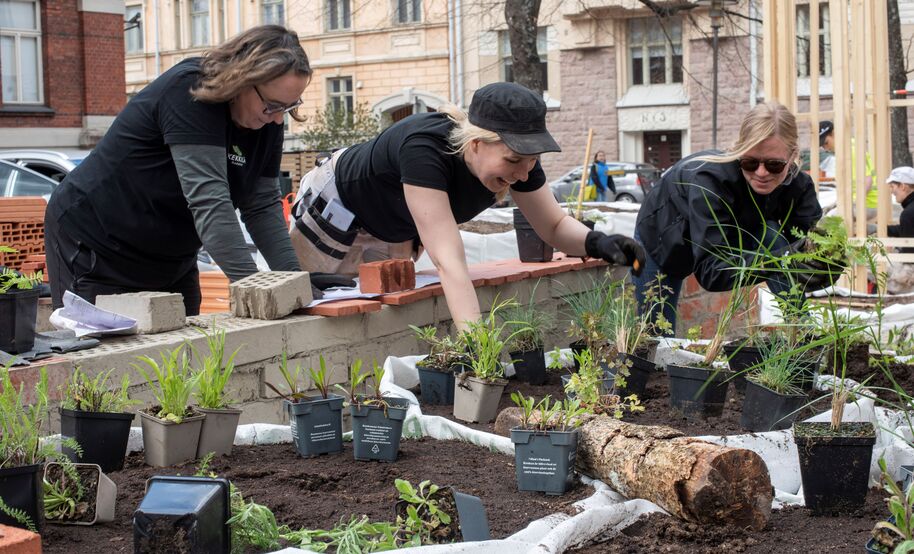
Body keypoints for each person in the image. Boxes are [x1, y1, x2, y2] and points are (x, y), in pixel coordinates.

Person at [288, 82, 645, 331]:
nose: (523, 173)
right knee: (310, 304)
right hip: (336, 206)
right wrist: (477, 345)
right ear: (475, 145)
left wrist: (600, 243)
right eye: (514, 159)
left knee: (382, 306)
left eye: (532, 160)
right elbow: (448, 260)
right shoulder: (425, 149)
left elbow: (552, 227)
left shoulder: (521, 165)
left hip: (395, 220)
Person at [44, 25, 344, 316]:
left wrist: (293, 279)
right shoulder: (190, 92)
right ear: (241, 79)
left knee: (185, 356)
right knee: (100, 357)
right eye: (273, 105)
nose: (279, 119)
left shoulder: (265, 118)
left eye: (289, 107)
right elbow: (210, 202)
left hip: (171, 253)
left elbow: (261, 205)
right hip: (97, 243)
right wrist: (257, 288)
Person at [632, 102, 828, 334]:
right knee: (657, 337)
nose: (762, 173)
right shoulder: (710, 181)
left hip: (732, 231)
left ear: (793, 155)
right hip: (661, 241)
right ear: (739, 150)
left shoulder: (798, 186)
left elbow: (809, 247)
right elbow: (711, 271)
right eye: (750, 162)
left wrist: (824, 264)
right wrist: (785, 260)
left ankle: (803, 337)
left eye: (775, 165)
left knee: (776, 241)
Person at [819, 120, 877, 221]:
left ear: (833, 133)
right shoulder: (848, 147)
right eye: (823, 146)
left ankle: (870, 230)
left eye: (826, 143)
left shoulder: (850, 152)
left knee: (826, 222)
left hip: (868, 204)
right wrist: (836, 204)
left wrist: (853, 203)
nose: (826, 148)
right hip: (867, 202)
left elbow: (868, 181)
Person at [884, 166, 914, 293]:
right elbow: (907, 230)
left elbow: (908, 254)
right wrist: (882, 230)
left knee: (873, 266)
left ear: (903, 186)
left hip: (910, 268)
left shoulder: (908, 213)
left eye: (892, 186)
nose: (891, 191)